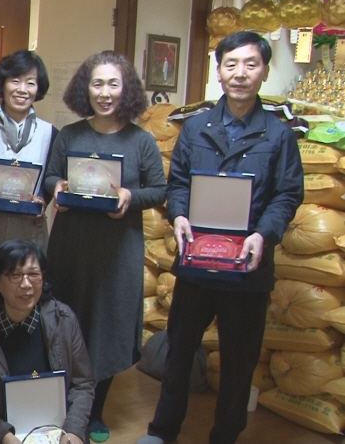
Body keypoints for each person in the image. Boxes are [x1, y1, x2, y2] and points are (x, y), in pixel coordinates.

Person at [137, 32, 303, 444]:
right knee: (179, 353)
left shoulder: (279, 135)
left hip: (248, 266)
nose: (240, 73)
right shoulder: (195, 128)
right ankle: (162, 431)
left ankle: (225, 436)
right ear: (219, 71)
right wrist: (178, 215)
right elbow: (179, 183)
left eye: (250, 64)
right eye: (231, 64)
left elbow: (287, 194)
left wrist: (263, 234)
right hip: (196, 263)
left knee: (239, 363)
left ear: (264, 72)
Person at [43, 50, 166, 443]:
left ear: (126, 89)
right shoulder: (70, 134)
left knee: (108, 326)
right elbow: (49, 177)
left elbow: (159, 189)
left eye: (114, 84)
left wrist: (131, 196)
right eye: (97, 83)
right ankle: (62, 405)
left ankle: (94, 410)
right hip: (71, 246)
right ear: (86, 88)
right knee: (68, 320)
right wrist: (57, 188)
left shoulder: (141, 140)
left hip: (118, 249)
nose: (105, 92)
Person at [0, 239, 94, 444]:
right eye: (15, 276)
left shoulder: (63, 320)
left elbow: (83, 384)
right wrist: (3, 436)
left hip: (56, 431)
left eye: (33, 274)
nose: (26, 284)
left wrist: (73, 430)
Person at [0, 49, 58, 257]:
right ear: (2, 84)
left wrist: (42, 200)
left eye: (30, 83)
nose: (22, 90)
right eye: (15, 81)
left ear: (38, 88)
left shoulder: (50, 133)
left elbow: (52, 179)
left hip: (30, 232)